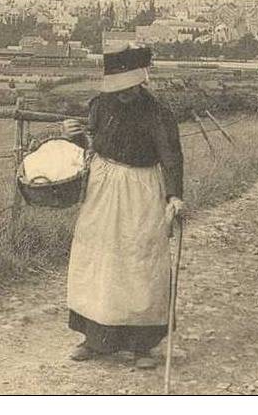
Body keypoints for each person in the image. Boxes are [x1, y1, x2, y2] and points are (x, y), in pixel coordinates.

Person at [61, 45, 184, 370]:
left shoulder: (158, 113)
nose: (125, 93)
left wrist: (174, 195)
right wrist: (73, 136)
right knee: (98, 260)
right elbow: (93, 144)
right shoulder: (100, 105)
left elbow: (171, 156)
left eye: (130, 87)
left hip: (141, 188)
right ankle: (96, 340)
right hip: (103, 186)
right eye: (119, 87)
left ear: (140, 82)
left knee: (138, 262)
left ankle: (140, 346)